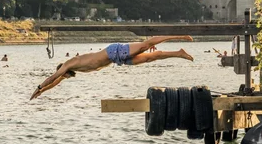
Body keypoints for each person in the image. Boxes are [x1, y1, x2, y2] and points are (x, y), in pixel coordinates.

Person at [30, 35, 195, 99]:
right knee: (151, 58)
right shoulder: (75, 69)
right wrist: (42, 92)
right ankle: (179, 53)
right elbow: (56, 82)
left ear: (63, 70)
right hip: (118, 60)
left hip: (114, 51)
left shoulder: (68, 64)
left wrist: (38, 87)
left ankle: (178, 35)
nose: (63, 77)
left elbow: (53, 78)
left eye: (63, 75)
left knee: (146, 45)